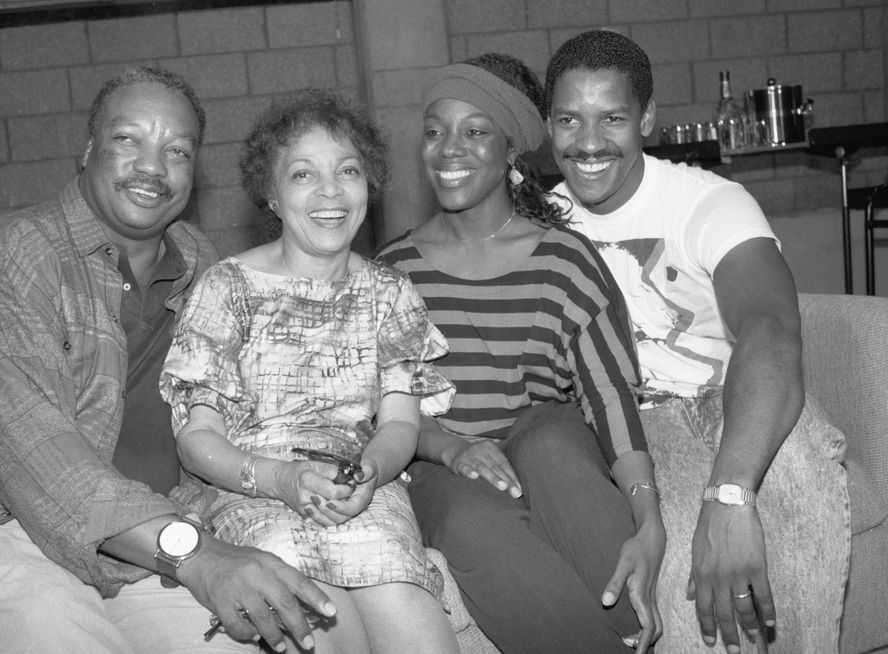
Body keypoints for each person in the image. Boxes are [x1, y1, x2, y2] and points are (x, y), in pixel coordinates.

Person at [0, 66, 336, 654]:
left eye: (177, 150)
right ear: (88, 150)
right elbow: (36, 455)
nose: (151, 166)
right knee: (58, 632)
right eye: (128, 139)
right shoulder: (11, 254)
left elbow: (248, 403)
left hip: (141, 545)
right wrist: (199, 553)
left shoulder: (201, 265)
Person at [543, 30, 850, 654]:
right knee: (680, 550)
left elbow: (770, 329)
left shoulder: (708, 201)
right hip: (630, 421)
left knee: (799, 477)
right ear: (548, 125)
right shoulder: (539, 227)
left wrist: (731, 491)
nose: (590, 142)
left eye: (613, 118)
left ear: (648, 119)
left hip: (727, 395)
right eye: (570, 119)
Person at [375, 53, 665, 654]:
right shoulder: (391, 274)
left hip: (545, 436)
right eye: (435, 132)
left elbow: (609, 395)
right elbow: (374, 406)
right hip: (439, 457)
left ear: (511, 150)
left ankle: (634, 624)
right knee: (468, 520)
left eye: (475, 132)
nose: (448, 149)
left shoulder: (565, 258)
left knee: (552, 445)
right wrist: (452, 448)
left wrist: (648, 515)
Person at [160, 89, 460, 654]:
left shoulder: (391, 294)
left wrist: (370, 469)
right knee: (321, 615)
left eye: (347, 170)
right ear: (270, 196)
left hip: (362, 490)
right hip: (253, 487)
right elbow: (196, 439)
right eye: (303, 174)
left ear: (368, 183)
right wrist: (280, 479)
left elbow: (400, 424)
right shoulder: (226, 289)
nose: (330, 190)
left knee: (409, 612)